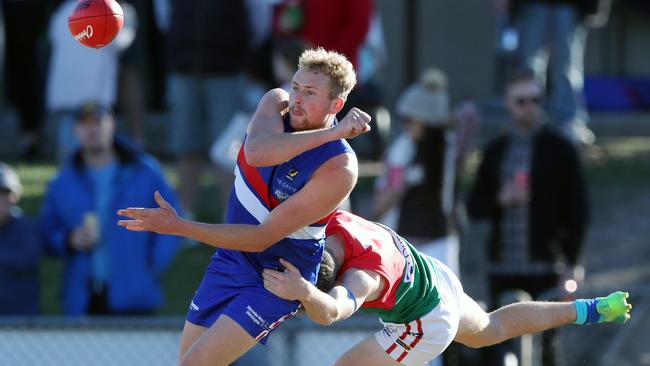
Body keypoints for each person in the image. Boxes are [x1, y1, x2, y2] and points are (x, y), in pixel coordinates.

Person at [117, 48, 372, 365]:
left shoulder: (340, 167)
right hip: (231, 258)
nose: (296, 99)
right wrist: (331, 131)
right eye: (295, 87)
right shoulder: (274, 102)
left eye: (309, 93)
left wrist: (179, 226)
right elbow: (258, 154)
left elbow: (261, 237)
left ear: (336, 105)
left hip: (277, 278)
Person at [262, 210, 631, 366]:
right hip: (435, 277)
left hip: (428, 319)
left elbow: (330, 313)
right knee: (491, 329)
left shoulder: (361, 278)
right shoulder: (331, 221)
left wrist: (305, 293)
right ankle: (591, 309)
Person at [466, 68, 589, 365]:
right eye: (521, 101)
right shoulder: (496, 150)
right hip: (503, 266)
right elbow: (473, 206)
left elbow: (578, 211)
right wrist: (501, 198)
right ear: (508, 104)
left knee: (547, 348)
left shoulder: (560, 149)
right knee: (498, 345)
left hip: (545, 265)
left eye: (535, 100)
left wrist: (572, 263)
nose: (529, 107)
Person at [40, 101, 182, 316]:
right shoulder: (63, 181)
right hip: (83, 298)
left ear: (112, 125)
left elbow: (173, 223)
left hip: (135, 296)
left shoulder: (145, 172)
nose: (91, 129)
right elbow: (47, 232)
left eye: (98, 121)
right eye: (84, 123)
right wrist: (69, 239)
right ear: (75, 130)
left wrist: (149, 269)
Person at [373, 68, 479, 277]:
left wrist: (438, 113)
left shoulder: (448, 148)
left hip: (441, 241)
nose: (406, 126)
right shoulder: (400, 152)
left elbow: (469, 115)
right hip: (404, 242)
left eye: (410, 119)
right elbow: (382, 200)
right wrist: (400, 185)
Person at [502, 0, 612, 145]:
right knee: (529, 67)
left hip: (569, 5)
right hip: (532, 5)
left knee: (568, 65)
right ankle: (528, 120)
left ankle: (570, 122)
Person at [0, 162, 41, 315]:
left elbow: (28, 258)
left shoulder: (26, 227)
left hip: (21, 322)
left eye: (5, 194)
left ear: (16, 197)